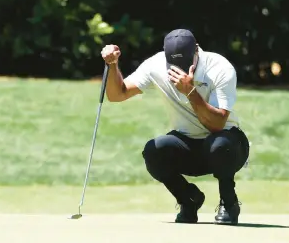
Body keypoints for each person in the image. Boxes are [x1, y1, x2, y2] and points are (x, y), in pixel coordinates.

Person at [101, 29, 250, 225]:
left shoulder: (219, 67)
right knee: (154, 151)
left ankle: (229, 203)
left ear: (197, 51)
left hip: (229, 146)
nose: (178, 70)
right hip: (189, 146)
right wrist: (112, 65)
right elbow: (116, 94)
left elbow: (218, 124)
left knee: (219, 145)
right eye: (173, 64)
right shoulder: (155, 64)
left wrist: (191, 93)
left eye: (185, 64)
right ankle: (189, 200)